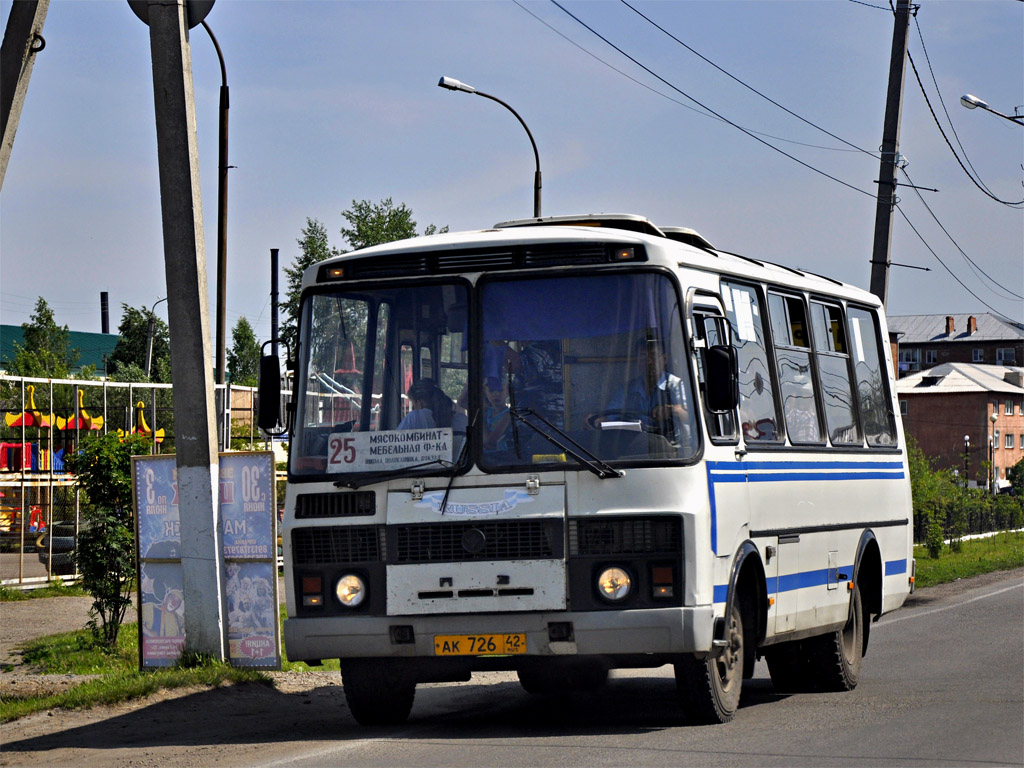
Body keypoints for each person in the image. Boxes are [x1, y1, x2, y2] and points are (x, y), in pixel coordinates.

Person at [589, 337, 690, 439]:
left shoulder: (677, 384)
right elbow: (610, 414)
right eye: (643, 357)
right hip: (636, 447)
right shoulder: (627, 389)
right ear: (637, 361)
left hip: (673, 448)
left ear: (664, 359)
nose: (649, 362)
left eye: (654, 356)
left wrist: (672, 409)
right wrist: (596, 420)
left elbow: (690, 416)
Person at [482, 376, 512, 451]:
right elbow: (462, 402)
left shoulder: (508, 415)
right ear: (485, 391)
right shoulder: (487, 411)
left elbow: (489, 442)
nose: (496, 394)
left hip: (498, 458)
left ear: (507, 391)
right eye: (491, 391)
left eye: (500, 390)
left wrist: (480, 419)